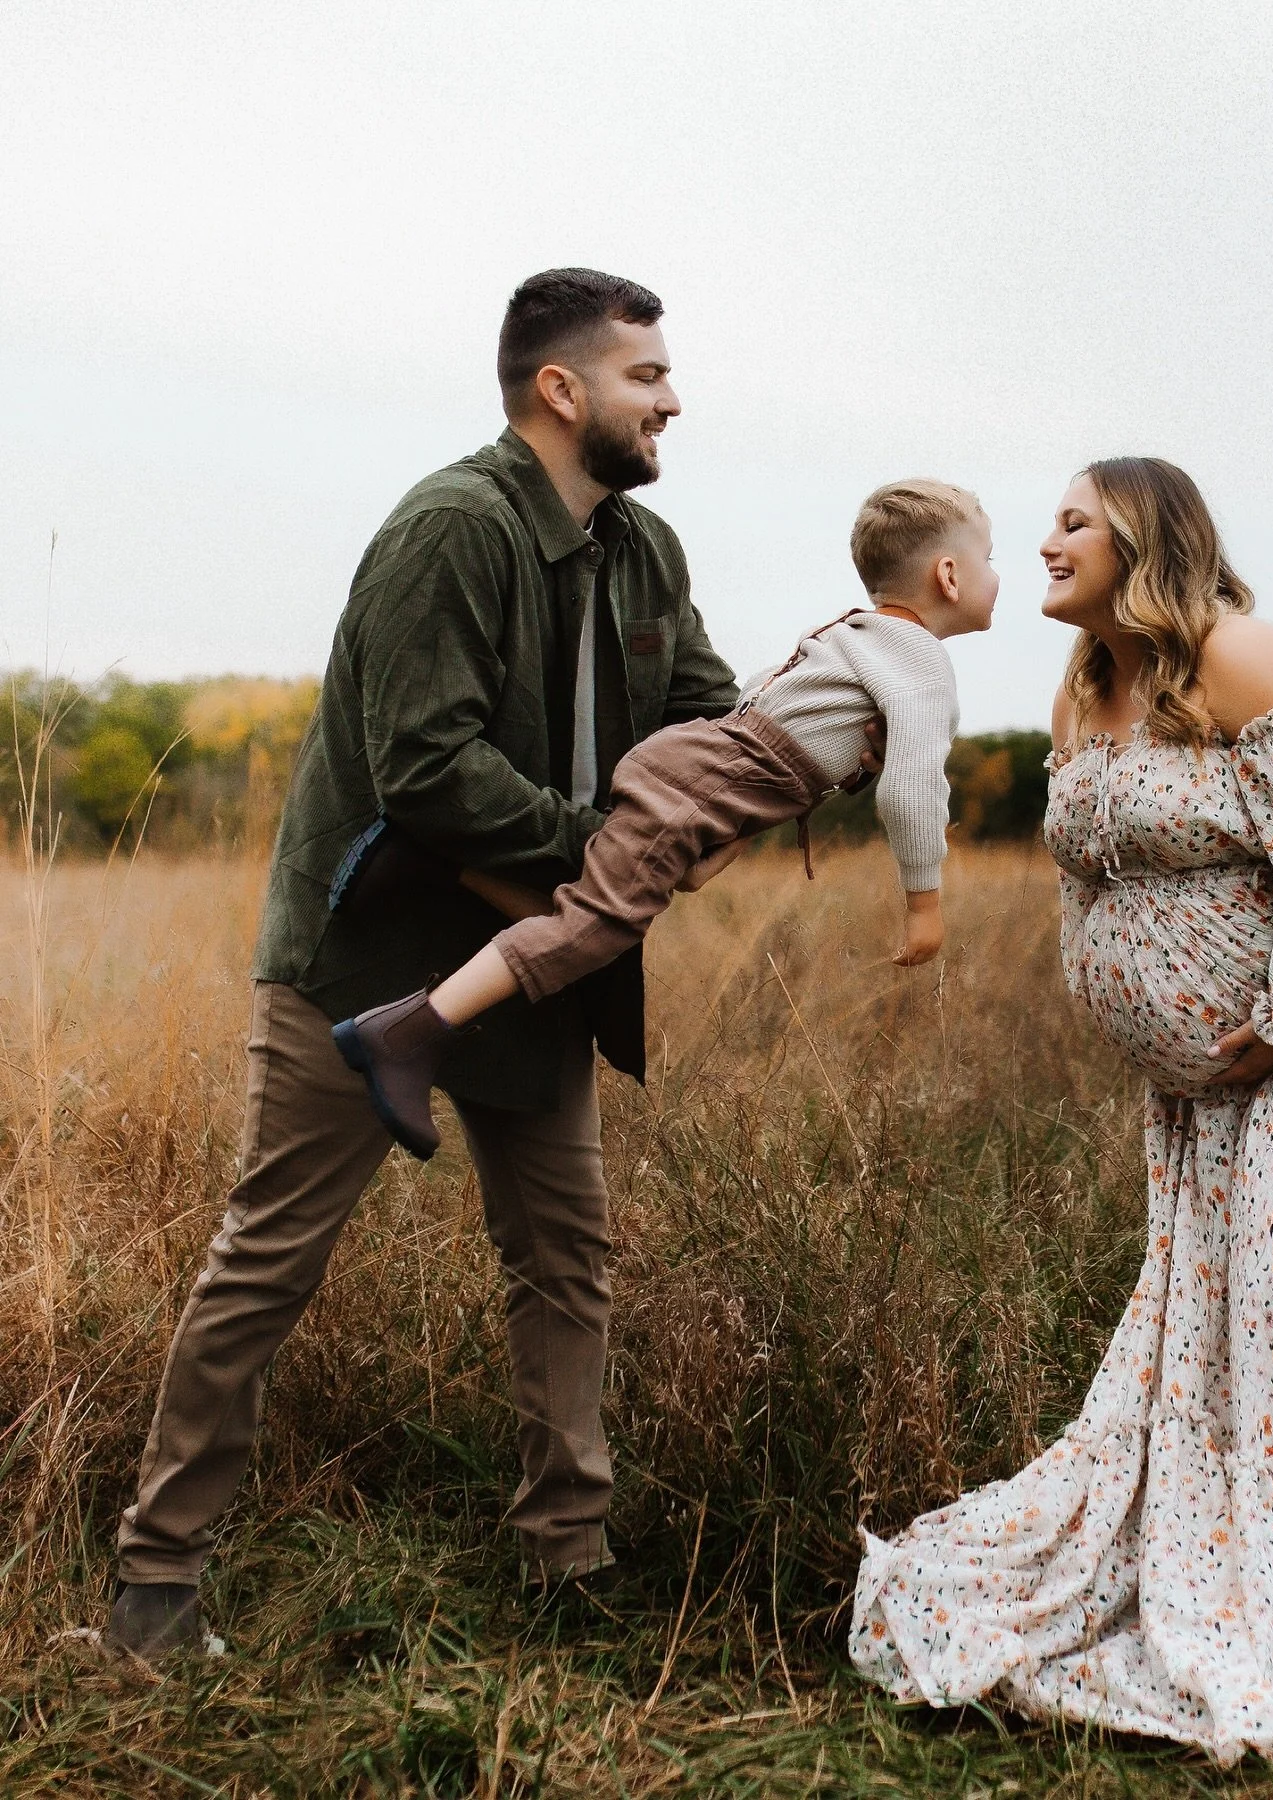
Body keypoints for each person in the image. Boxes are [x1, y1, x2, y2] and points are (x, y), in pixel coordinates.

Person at [104, 268, 744, 1660]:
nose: (674, 398)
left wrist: (758, 772)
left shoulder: (648, 554)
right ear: (560, 391)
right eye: (647, 377)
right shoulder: (450, 528)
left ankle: (565, 1571)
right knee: (267, 1266)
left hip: (534, 971)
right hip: (367, 966)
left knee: (567, 1264)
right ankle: (154, 1594)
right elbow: (428, 769)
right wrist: (613, 854)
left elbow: (710, 720)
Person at [852, 457, 1273, 1780]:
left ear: (1144, 533)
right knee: (1231, 1309)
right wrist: (1134, 1014)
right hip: (1194, 1091)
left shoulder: (1238, 654)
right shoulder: (1084, 685)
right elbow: (1090, 870)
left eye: (1070, 519)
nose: (1044, 541)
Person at [332, 479, 998, 1162]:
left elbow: (767, 699)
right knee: (595, 927)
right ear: (948, 574)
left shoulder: (856, 631)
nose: (999, 575)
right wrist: (924, 903)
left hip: (695, 773)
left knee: (590, 910)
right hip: (698, 789)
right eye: (992, 558)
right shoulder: (920, 661)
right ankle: (403, 1036)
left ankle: (434, 863)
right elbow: (914, 789)